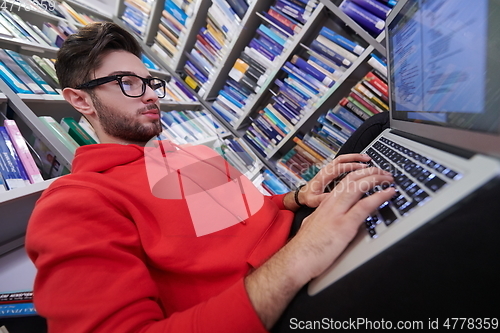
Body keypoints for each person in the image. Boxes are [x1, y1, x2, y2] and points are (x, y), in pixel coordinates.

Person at [25, 22, 395, 333]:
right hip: (276, 299)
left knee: (379, 129)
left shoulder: (181, 154)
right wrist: (305, 252)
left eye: (149, 82)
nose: (151, 95)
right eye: (127, 82)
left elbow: (245, 218)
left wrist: (297, 197)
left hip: (301, 235)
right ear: (81, 101)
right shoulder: (73, 201)